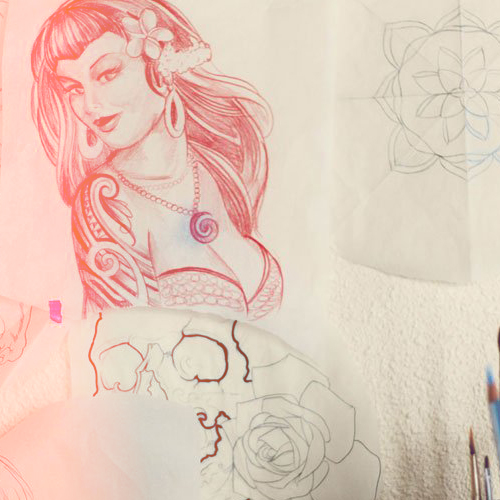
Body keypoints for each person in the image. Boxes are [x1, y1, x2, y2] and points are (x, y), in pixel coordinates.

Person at [31, 0, 283, 319]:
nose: (90, 105)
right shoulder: (104, 200)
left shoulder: (218, 167)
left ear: (160, 67)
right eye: (75, 89)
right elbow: (124, 341)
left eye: (107, 74)